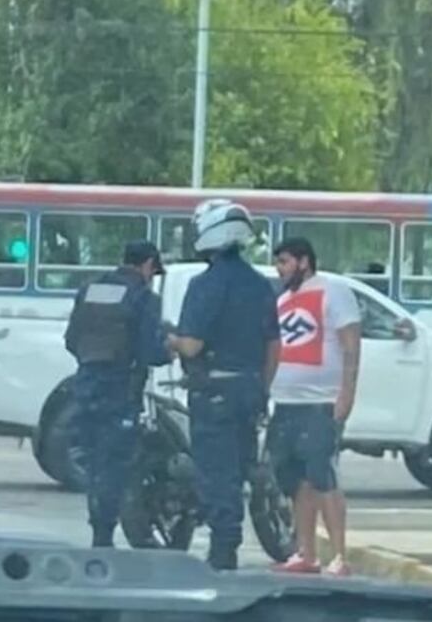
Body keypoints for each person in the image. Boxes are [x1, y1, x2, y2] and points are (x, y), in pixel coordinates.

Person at [165, 199, 281, 571]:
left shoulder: (206, 284)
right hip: (249, 390)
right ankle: (228, 540)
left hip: (213, 392)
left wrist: (170, 339)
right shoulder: (261, 285)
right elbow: (273, 346)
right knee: (239, 466)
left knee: (218, 472)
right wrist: (260, 386)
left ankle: (223, 552)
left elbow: (193, 344)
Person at [64, 240, 171, 548]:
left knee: (96, 462)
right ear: (148, 264)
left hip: (86, 386)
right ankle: (104, 536)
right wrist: (169, 352)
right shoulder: (144, 298)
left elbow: (71, 340)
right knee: (115, 464)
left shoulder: (90, 289)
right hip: (120, 390)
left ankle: (98, 527)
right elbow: (149, 350)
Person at [268, 237, 361, 577]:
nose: (280, 269)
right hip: (286, 403)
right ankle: (305, 552)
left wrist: (346, 392)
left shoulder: (333, 291)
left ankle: (339, 555)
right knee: (295, 480)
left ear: (304, 261)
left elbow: (351, 344)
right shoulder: (282, 302)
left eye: (285, 262)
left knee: (324, 477)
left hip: (320, 403)